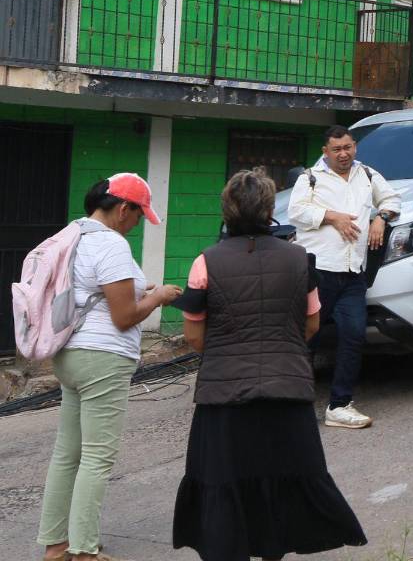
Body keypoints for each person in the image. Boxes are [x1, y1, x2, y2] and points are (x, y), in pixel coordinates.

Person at [173, 168, 366, 561]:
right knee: (279, 484)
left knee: (224, 484)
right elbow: (311, 323)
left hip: (224, 397)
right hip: (287, 392)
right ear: (268, 210)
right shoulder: (299, 258)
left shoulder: (205, 261)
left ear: (227, 209)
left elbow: (194, 337)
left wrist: (230, 350)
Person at [36, 174, 180, 561]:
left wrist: (141, 291)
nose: (136, 224)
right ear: (122, 209)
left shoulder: (74, 236)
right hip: (102, 358)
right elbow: (124, 316)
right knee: (97, 457)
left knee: (68, 454)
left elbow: (95, 293)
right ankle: (83, 550)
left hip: (70, 353)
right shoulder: (111, 244)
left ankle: (55, 545)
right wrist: (159, 296)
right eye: (137, 216)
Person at [287, 125, 400, 429]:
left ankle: (339, 405)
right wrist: (332, 217)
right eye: (337, 149)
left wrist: (381, 218)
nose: (344, 154)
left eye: (348, 147)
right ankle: (292, 403)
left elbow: (392, 200)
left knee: (353, 335)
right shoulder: (310, 178)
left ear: (355, 147)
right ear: (325, 151)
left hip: (352, 273)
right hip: (318, 271)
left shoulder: (366, 174)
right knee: (307, 338)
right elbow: (295, 212)